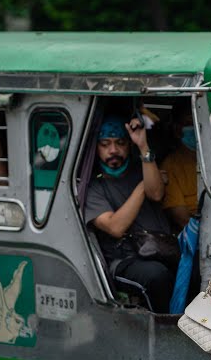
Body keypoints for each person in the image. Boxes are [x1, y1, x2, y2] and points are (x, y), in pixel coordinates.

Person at [83, 115, 175, 312]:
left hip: (160, 248)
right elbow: (115, 227)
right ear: (96, 148)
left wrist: (143, 146)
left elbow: (157, 193)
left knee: (192, 268)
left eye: (120, 143)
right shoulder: (94, 187)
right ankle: (165, 331)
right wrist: (143, 185)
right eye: (105, 144)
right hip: (125, 260)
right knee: (156, 275)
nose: (113, 150)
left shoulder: (139, 169)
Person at [160, 109, 200, 232]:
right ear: (178, 130)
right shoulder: (170, 165)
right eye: (189, 123)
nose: (195, 126)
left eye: (197, 122)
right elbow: (182, 219)